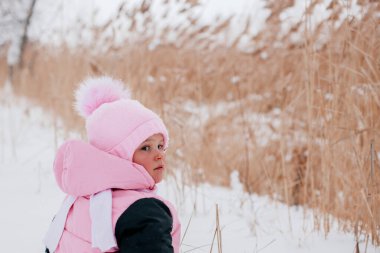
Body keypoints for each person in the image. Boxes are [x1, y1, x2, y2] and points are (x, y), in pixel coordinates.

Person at [44, 76, 181, 253]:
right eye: (146, 147)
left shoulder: (79, 198)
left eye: (161, 146)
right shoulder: (143, 211)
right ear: (117, 155)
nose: (159, 155)